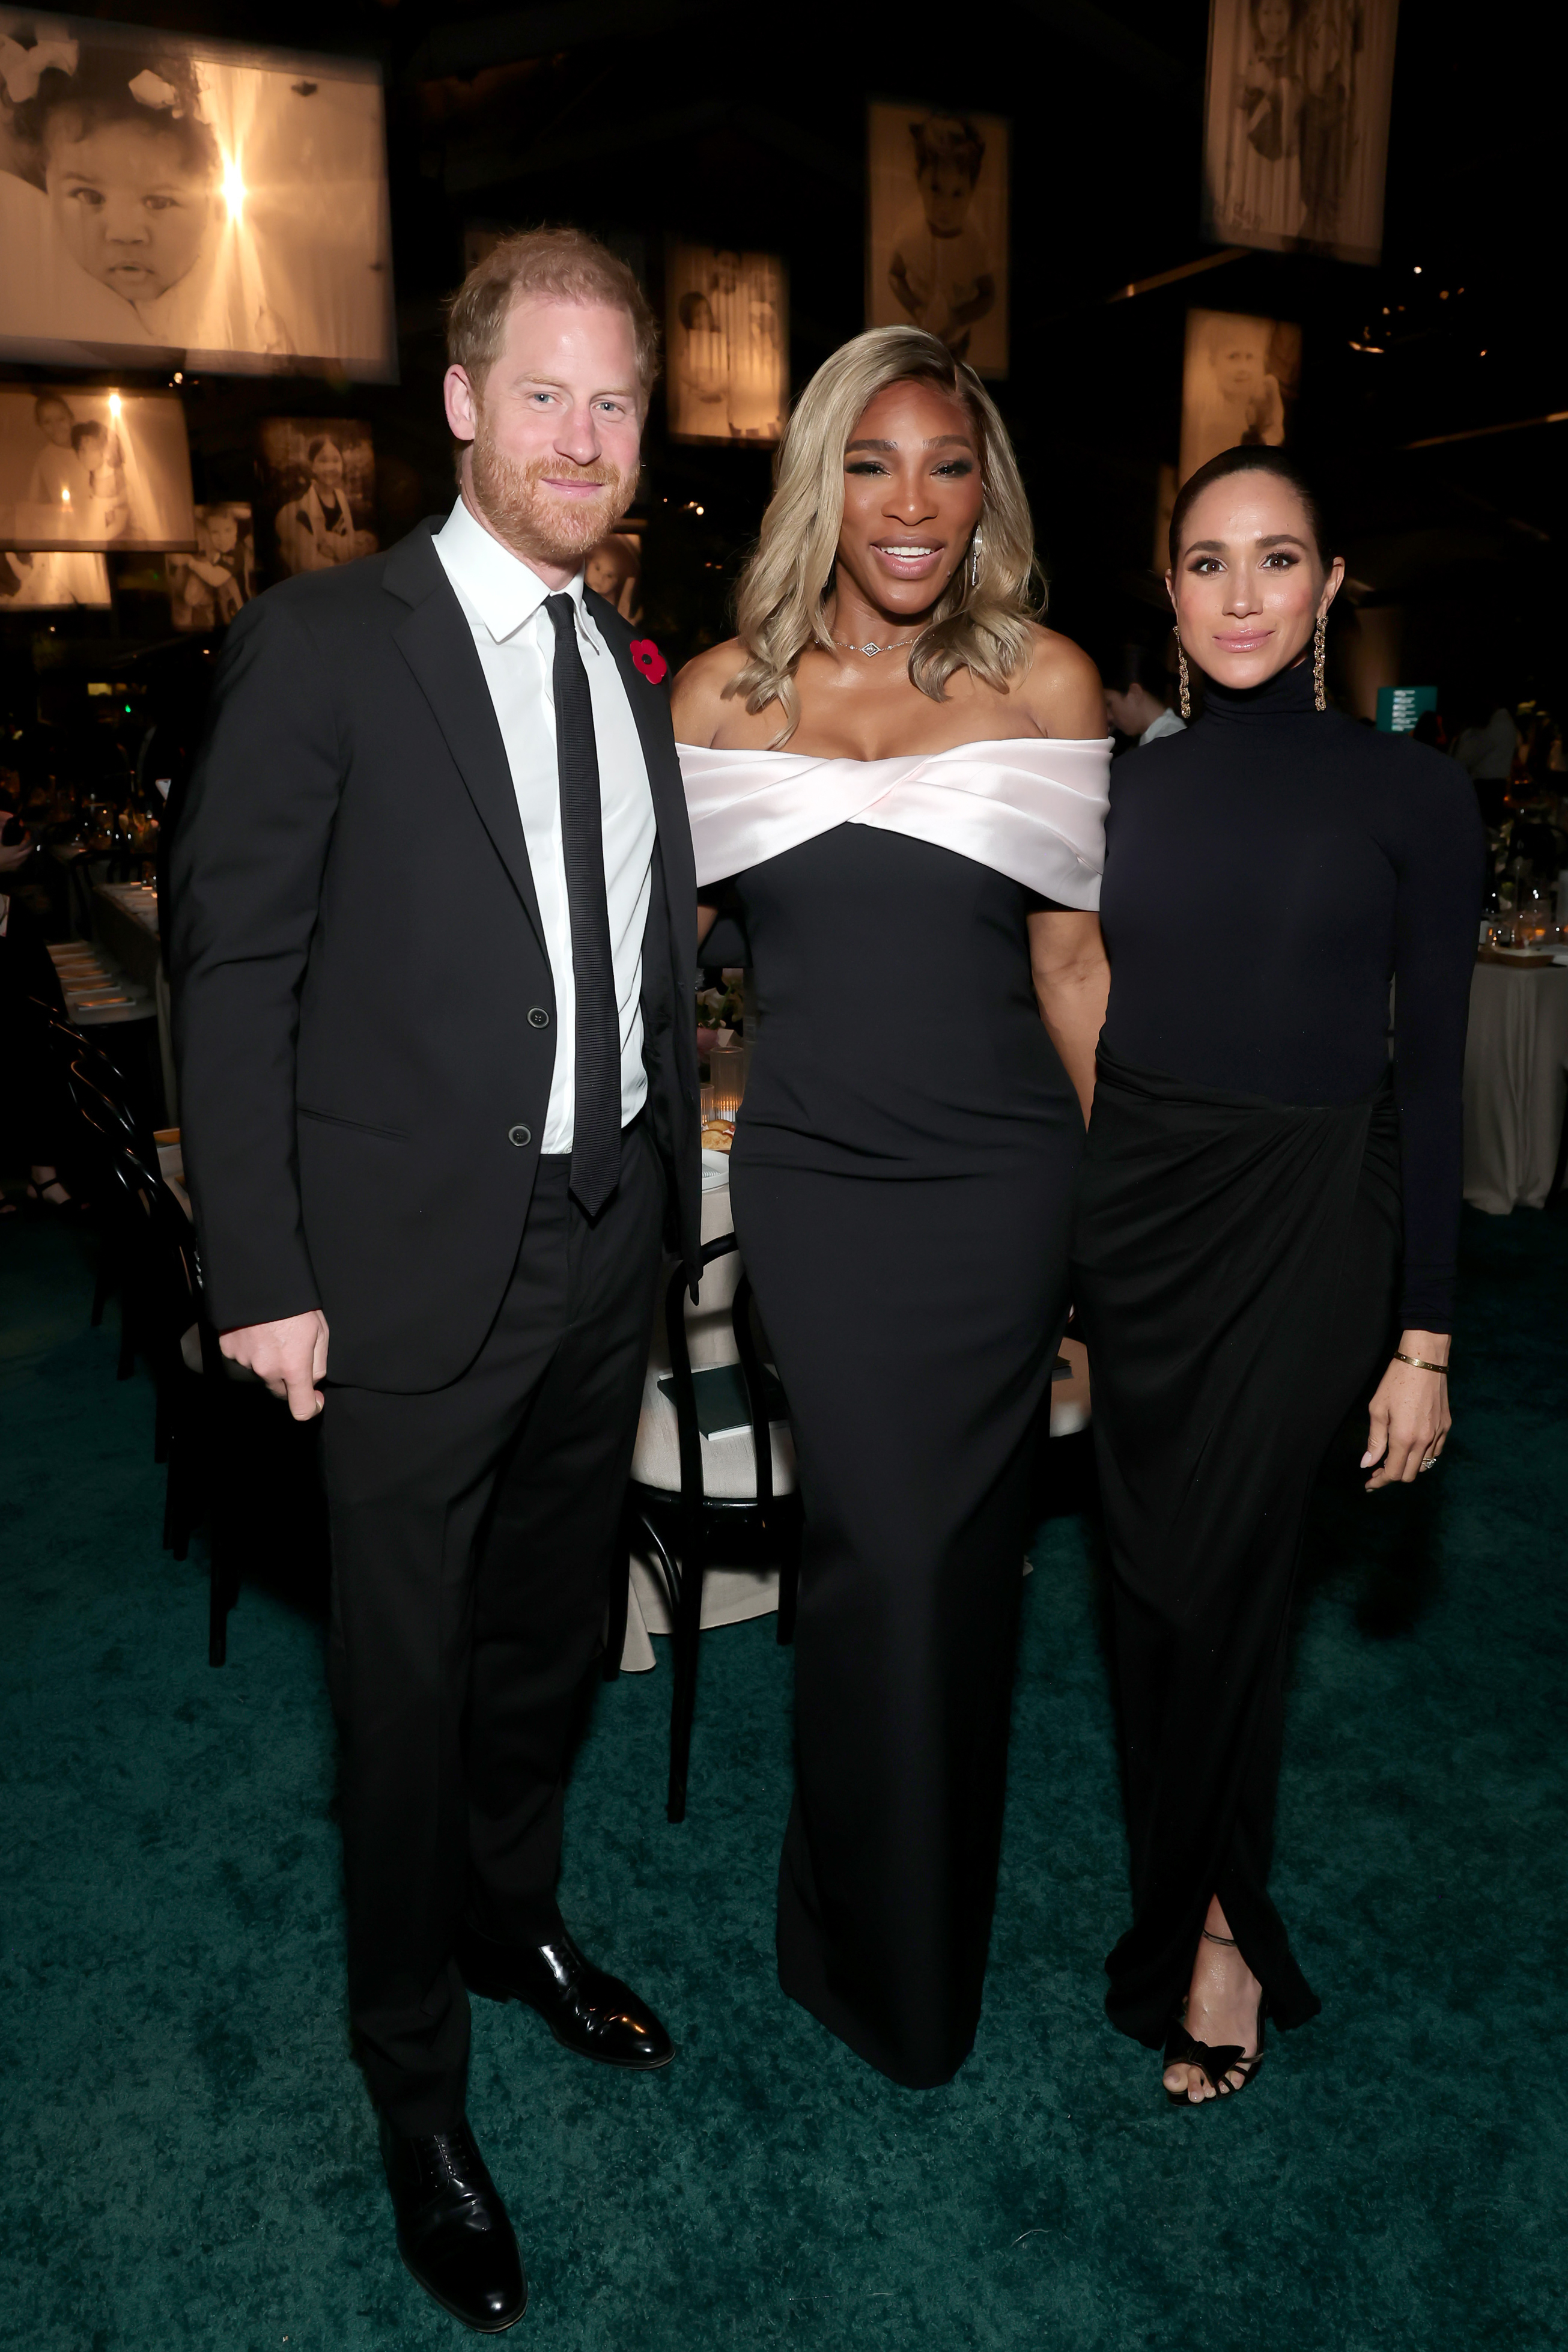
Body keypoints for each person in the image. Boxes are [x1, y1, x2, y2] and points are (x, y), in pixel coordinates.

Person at [169, 226, 701, 2332]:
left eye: (617, 399)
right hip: (395, 1273)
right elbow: (234, 967)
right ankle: (419, 2090)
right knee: (398, 1694)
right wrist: (263, 1270)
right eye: (544, 392)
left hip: (606, 1242)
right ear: (464, 403)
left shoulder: (627, 660)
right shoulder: (324, 643)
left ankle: (513, 1915)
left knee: (548, 1637)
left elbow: (626, 951)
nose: (583, 434)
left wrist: (653, 1183)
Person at [671, 324, 1110, 2088]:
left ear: (982, 491)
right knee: (875, 1557)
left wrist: (1117, 1225)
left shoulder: (1047, 682)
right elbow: (638, 967)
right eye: (871, 463)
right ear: (821, 486)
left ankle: (897, 1950)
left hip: (999, 1190)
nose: (911, 503)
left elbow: (1074, 971)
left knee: (950, 1569)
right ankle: (853, 1917)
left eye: (945, 465)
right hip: (818, 1194)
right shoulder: (718, 700)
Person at [1071, 445, 1483, 2106]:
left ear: (1325, 588)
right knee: (1149, 1592)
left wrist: (1424, 1335)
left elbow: (1435, 1076)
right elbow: (1075, 1008)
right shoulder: (1120, 790)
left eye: (1275, 558)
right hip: (1141, 1221)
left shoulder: (1412, 796)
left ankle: (1217, 1934)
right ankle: (1197, 1898)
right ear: (1168, 593)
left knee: (1230, 1585)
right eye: (1205, 562)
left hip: (1313, 1219)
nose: (1238, 593)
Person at [886, 115, 996, 362]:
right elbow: (895, 275)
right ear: (919, 181)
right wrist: (915, 307)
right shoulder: (909, 233)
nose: (945, 207)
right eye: (935, 189)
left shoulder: (975, 242)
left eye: (957, 193)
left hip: (957, 335)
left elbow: (988, 295)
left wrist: (960, 317)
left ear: (972, 190)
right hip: (919, 328)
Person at [273, 437, 362, 574]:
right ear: (312, 466)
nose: (330, 467)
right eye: (323, 461)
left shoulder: (341, 497)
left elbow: (352, 546)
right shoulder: (300, 509)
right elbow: (309, 563)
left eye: (336, 460)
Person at [1103, 631, 1184, 749]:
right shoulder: (1158, 737)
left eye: (1109, 704)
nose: (1109, 716)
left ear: (1135, 693)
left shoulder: (1167, 742)